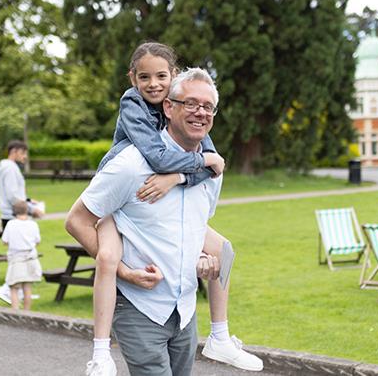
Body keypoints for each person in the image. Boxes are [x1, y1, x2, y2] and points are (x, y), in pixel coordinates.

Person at [74, 43, 260, 376]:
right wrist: (122, 271)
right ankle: (99, 354)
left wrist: (202, 259)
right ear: (169, 107)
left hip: (185, 311)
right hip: (140, 309)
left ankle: (220, 336)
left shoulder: (211, 169)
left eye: (208, 107)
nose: (200, 112)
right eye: (190, 103)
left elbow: (190, 227)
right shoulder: (131, 163)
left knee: (224, 249)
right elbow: (77, 221)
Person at [0, 140, 44, 305]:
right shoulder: (10, 169)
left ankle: (19, 291)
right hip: (13, 215)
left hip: (11, 213)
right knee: (19, 255)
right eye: (23, 153)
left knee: (20, 255)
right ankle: (7, 289)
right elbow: (13, 196)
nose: (25, 156)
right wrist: (30, 209)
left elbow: (14, 192)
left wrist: (28, 200)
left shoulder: (9, 168)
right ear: (14, 151)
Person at [1, 200, 42, 310]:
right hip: (31, 259)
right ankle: (26, 312)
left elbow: (5, 241)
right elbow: (37, 241)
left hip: (16, 259)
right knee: (27, 287)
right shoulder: (33, 224)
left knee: (14, 287)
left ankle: (15, 312)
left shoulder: (11, 224)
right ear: (27, 210)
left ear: (13, 212)